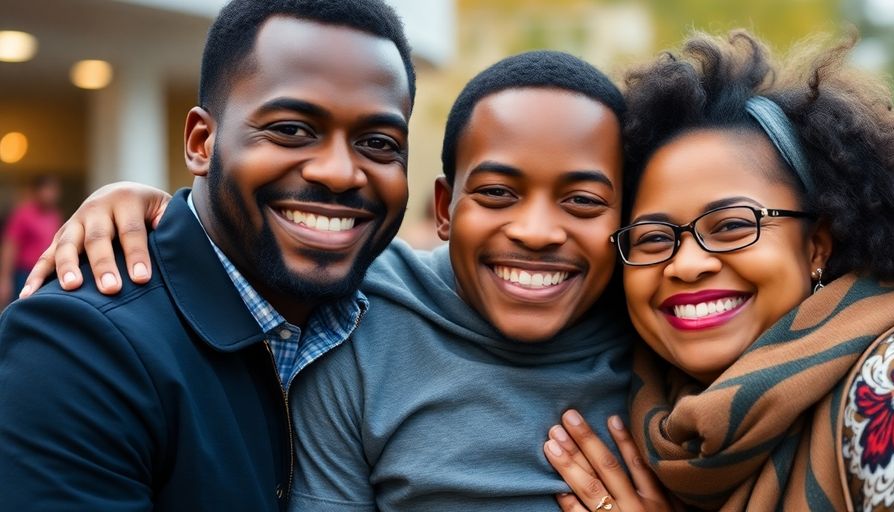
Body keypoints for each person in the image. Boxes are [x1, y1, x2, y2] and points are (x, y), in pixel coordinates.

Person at [19, 52, 662, 511]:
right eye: (496, 193)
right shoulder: (360, 318)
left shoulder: (658, 328)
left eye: (582, 202)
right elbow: (245, 250)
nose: (538, 231)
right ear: (444, 210)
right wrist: (159, 210)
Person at [541, 31, 894, 511]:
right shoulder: (648, 416)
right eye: (652, 238)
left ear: (816, 246)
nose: (686, 265)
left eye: (731, 225)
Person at [0, 0, 416, 509]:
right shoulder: (79, 348)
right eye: (291, 130)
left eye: (377, 142)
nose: (339, 172)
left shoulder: (402, 308)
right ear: (202, 142)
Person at [0, 174, 62, 307]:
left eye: (54, 190)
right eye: (48, 189)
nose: (52, 194)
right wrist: (5, 279)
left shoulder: (54, 215)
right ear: (37, 191)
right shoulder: (23, 214)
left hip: (48, 273)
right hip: (24, 274)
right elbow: (10, 246)